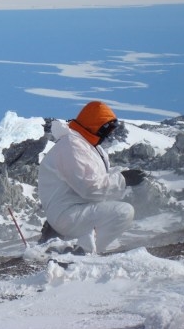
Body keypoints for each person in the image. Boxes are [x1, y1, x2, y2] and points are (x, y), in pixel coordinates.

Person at [37, 101, 146, 254]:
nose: (108, 135)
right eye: (106, 129)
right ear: (96, 126)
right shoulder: (72, 146)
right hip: (68, 213)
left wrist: (125, 175)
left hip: (74, 210)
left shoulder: (88, 146)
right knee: (123, 212)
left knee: (120, 210)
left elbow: (99, 176)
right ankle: (83, 251)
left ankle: (77, 248)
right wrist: (124, 180)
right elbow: (89, 187)